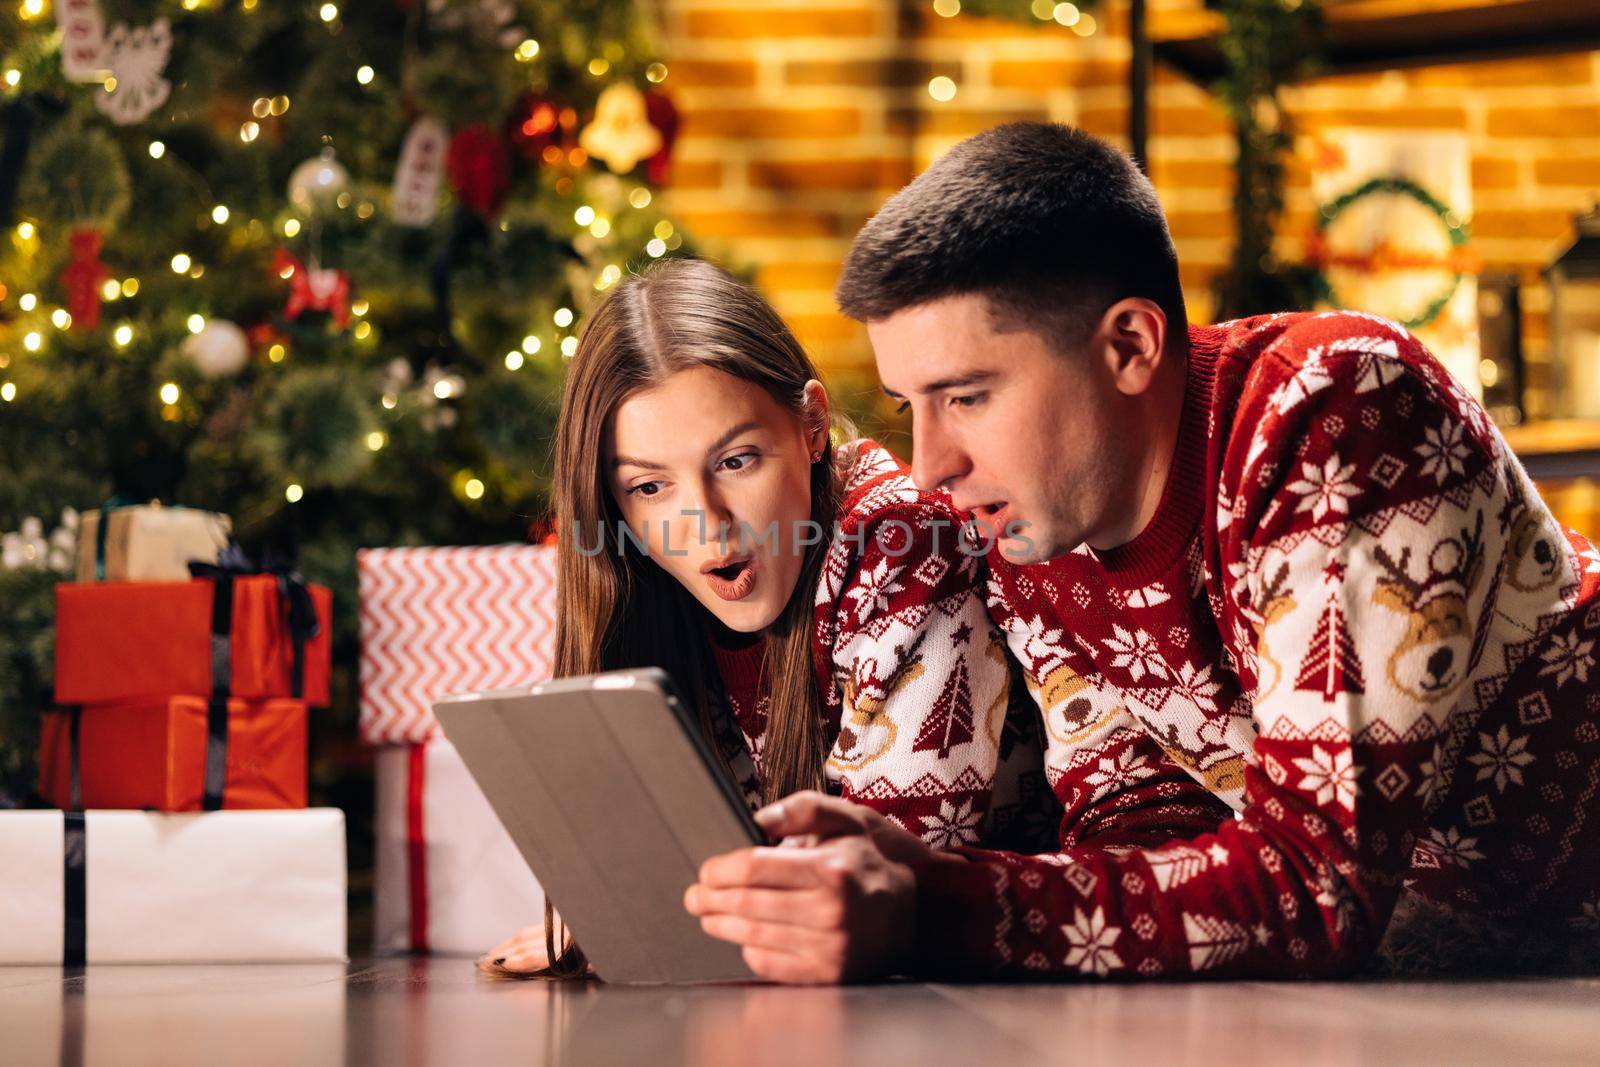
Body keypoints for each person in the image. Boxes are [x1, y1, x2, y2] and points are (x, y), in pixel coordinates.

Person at [684, 122, 1600, 982]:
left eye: (966, 397)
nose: (932, 467)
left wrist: (932, 902)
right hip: (1460, 975)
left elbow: (1317, 882)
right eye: (906, 406)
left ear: (1130, 345)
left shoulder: (1333, 407)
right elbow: (1139, 829)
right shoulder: (1034, 523)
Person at [482, 257, 1059, 976]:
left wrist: (669, 915)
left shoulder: (908, 543)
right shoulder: (643, 591)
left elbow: (876, 887)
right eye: (651, 485)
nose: (705, 525)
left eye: (736, 461)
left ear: (812, 425)